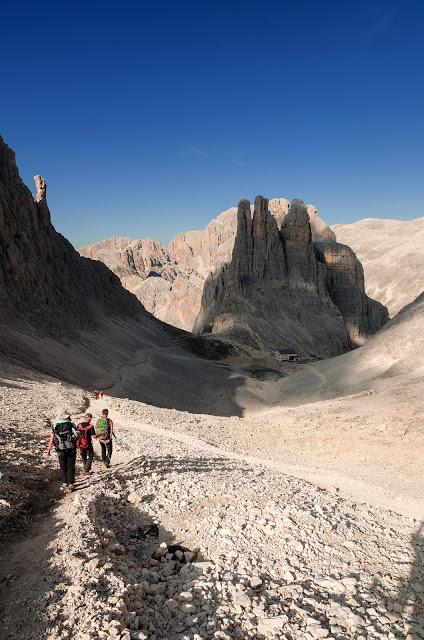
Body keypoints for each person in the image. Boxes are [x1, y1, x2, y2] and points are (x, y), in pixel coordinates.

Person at [47, 410, 78, 490]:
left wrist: (49, 449)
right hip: (71, 448)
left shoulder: (55, 425)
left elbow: (52, 437)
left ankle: (65, 483)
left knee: (62, 466)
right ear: (67, 417)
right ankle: (71, 483)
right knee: (70, 466)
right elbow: (76, 435)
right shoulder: (71, 424)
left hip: (60, 449)